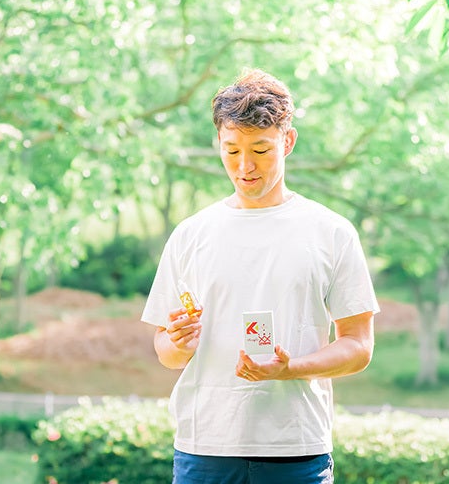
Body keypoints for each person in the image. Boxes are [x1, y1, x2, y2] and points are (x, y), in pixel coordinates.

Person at [140, 68, 379, 484]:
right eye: (231, 150)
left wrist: (292, 368)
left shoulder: (331, 232)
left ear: (288, 141)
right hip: (204, 449)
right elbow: (165, 350)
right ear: (218, 143)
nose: (245, 166)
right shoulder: (191, 235)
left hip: (296, 450)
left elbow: (359, 346)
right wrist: (177, 344)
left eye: (261, 150)